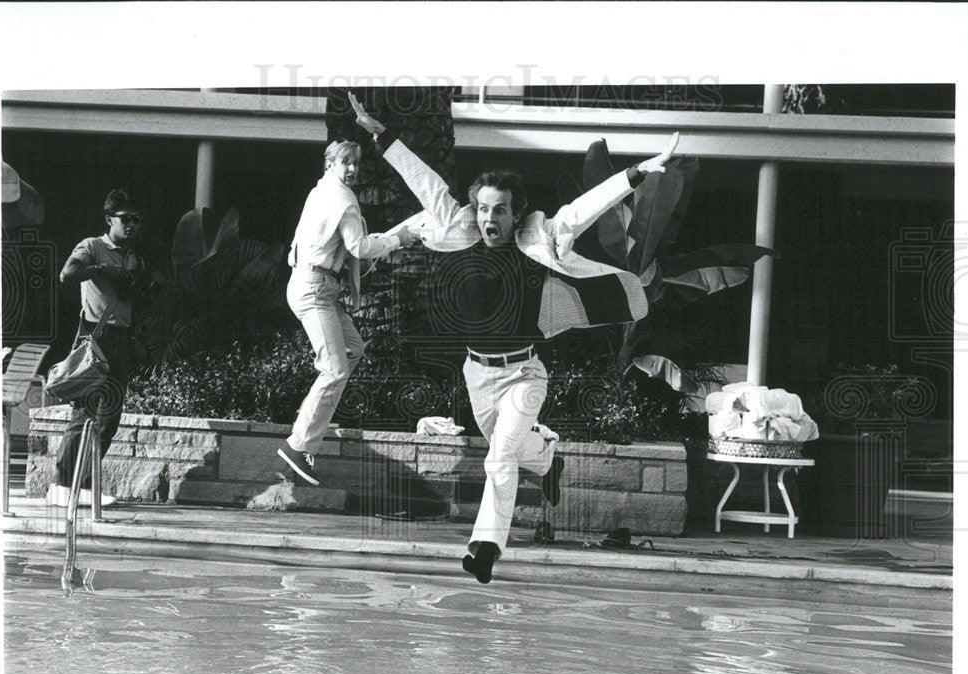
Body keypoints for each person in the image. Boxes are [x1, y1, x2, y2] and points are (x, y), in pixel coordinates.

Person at [350, 93, 677, 584]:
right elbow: (425, 182)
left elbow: (581, 211)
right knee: (515, 448)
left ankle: (485, 546)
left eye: (499, 211)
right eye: (483, 209)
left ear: (515, 213)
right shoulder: (458, 231)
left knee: (499, 455)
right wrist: (382, 136)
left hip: (525, 372)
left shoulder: (536, 239)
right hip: (477, 374)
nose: (489, 219)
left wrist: (634, 174)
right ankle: (547, 457)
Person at [278, 139, 419, 485]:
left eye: (356, 163)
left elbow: (348, 246)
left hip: (315, 286)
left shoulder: (322, 191)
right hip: (314, 289)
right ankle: (299, 447)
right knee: (334, 369)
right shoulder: (342, 199)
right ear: (330, 164)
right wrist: (398, 239)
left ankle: (309, 417)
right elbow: (359, 246)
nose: (353, 169)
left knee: (353, 347)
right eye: (346, 162)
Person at [47, 189, 149, 507]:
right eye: (125, 219)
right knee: (85, 411)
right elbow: (68, 273)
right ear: (109, 220)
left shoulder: (134, 257)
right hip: (96, 337)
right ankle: (62, 486)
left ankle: (86, 486)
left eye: (136, 220)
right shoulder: (92, 246)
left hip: (123, 340)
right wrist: (104, 270)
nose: (131, 225)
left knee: (110, 418)